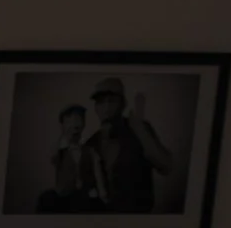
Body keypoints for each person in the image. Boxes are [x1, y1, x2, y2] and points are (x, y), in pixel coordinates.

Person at [80, 78, 172, 216]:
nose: (106, 107)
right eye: (100, 101)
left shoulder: (139, 129)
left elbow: (166, 166)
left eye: (111, 100)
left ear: (123, 104)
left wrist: (141, 131)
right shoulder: (91, 143)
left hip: (137, 220)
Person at [33, 104, 102, 214]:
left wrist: (101, 194)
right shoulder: (59, 150)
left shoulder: (89, 151)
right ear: (63, 125)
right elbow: (52, 160)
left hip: (84, 199)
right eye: (70, 121)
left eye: (79, 121)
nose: (75, 128)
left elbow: (97, 173)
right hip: (64, 199)